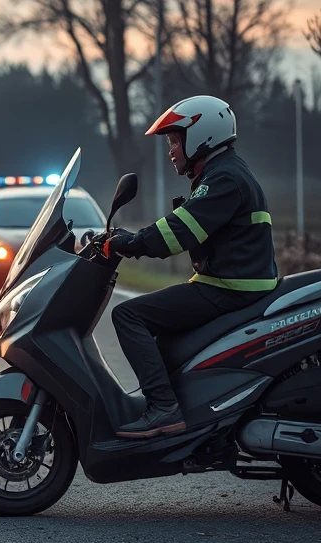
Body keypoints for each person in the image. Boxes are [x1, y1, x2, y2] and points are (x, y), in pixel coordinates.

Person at [105, 95, 278, 438]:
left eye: (174, 140)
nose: (170, 150)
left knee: (128, 315)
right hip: (230, 284)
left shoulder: (224, 178)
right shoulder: (223, 172)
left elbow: (177, 231)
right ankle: (187, 406)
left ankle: (164, 409)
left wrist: (131, 243)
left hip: (230, 288)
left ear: (202, 137)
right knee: (166, 333)